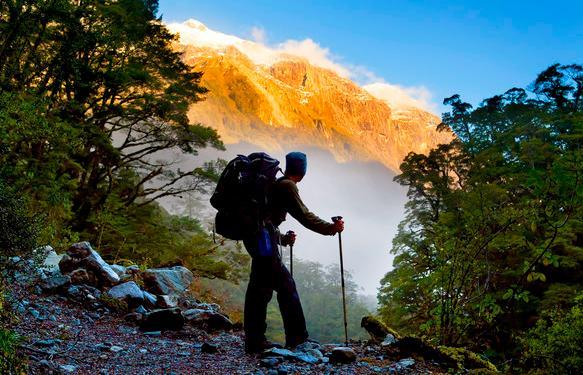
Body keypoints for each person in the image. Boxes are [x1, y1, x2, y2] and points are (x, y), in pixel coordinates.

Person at [243, 151, 345, 354]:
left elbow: (266, 218)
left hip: (256, 236)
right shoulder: (287, 186)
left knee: (259, 289)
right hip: (263, 238)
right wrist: (330, 228)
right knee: (286, 285)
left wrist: (281, 239)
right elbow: (304, 215)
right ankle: (297, 339)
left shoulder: (276, 183)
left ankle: (254, 340)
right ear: (303, 170)